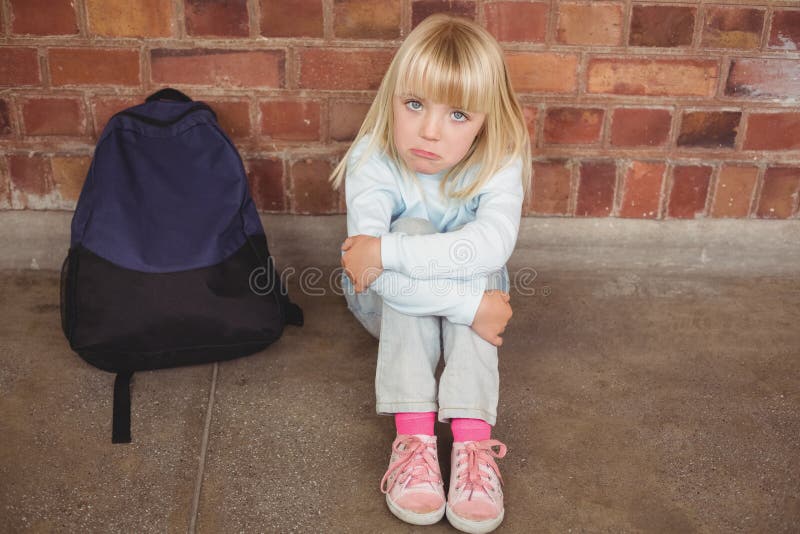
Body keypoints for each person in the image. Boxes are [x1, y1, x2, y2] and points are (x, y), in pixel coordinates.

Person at [330, 13, 531, 534]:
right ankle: (415, 440)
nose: (430, 131)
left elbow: (492, 243)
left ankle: (471, 443)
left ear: (487, 118)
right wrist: (469, 309)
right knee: (417, 231)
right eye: (414, 104)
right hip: (386, 303)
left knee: (480, 258)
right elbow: (374, 275)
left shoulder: (499, 159)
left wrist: (387, 251)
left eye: (459, 114)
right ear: (392, 98)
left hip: (464, 290)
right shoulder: (373, 159)